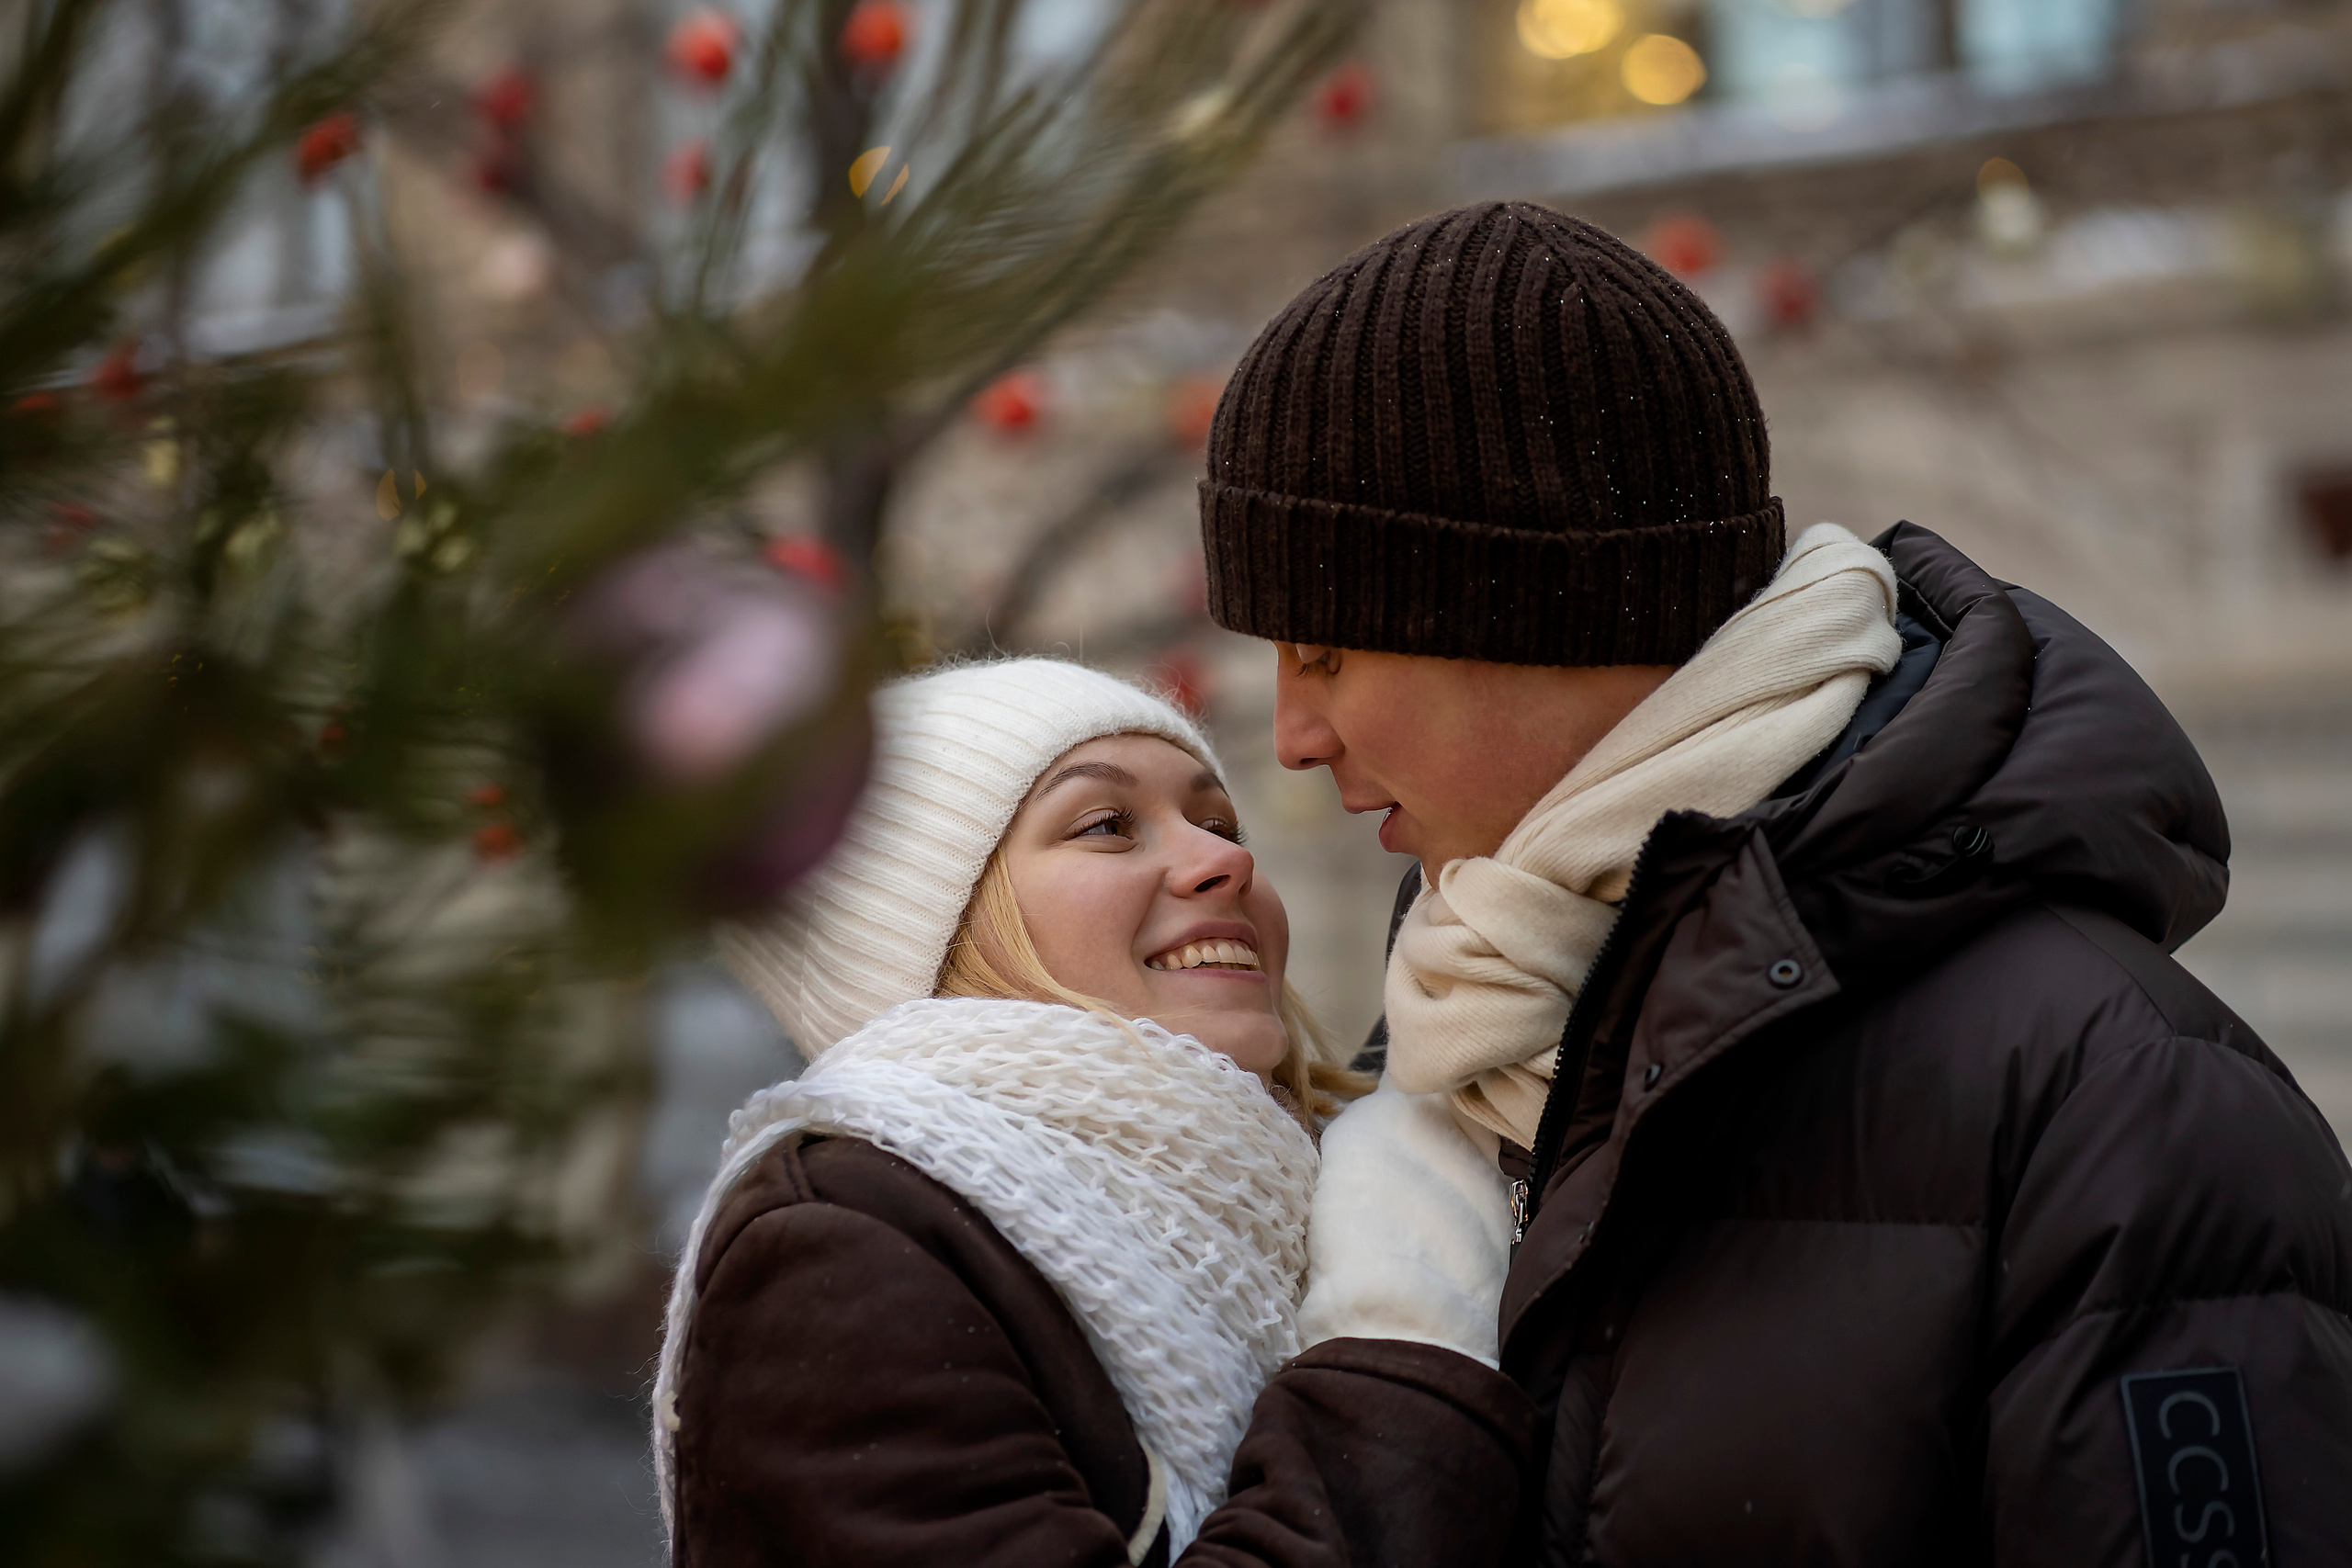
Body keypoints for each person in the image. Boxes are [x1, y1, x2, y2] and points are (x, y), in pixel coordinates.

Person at [1200, 201, 2352, 1563]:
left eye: (1326, 650)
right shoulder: (1468, 1033)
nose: (1290, 733)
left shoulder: (2116, 1097)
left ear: (1541, 613)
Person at [651, 657, 1535, 1568]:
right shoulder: (840, 1245)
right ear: (940, 932)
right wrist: (1400, 1341)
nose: (1224, 859)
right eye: (1108, 825)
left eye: (1217, 822)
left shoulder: (1355, 1182)